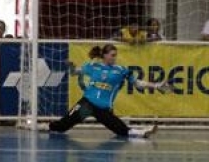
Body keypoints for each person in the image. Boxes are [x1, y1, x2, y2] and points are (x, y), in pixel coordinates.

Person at [42, 44, 170, 138]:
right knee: (63, 125)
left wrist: (157, 85)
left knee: (120, 129)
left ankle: (141, 132)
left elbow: (138, 83)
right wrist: (71, 66)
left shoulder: (121, 70)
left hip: (103, 109)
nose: (114, 58)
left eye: (116, 55)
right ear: (104, 55)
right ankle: (44, 126)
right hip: (86, 105)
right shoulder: (93, 66)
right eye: (112, 55)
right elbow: (75, 72)